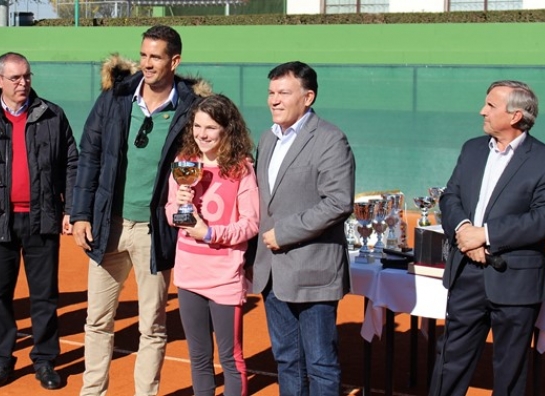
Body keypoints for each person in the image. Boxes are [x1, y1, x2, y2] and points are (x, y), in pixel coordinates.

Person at [70, 25, 210, 396]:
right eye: (144, 55)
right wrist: (81, 213)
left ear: (174, 61)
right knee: (97, 320)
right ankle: (93, 392)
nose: (146, 64)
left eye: (156, 57)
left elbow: (210, 158)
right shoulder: (115, 97)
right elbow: (90, 157)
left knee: (153, 325)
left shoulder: (192, 109)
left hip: (155, 231)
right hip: (108, 225)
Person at [0, 52, 78, 390]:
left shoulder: (53, 114)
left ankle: (44, 360)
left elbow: (71, 163)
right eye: (15, 78)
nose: (23, 83)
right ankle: (2, 359)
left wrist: (72, 210)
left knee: (44, 295)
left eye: (27, 76)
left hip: (43, 219)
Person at [429, 80, 545, 395]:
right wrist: (463, 231)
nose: (481, 111)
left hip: (515, 279)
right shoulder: (472, 148)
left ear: (514, 116)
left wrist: (485, 235)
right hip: (466, 274)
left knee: (510, 368)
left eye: (491, 106)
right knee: (450, 361)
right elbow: (450, 196)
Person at [251, 61, 356, 396]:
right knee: (286, 360)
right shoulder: (267, 138)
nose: (274, 100)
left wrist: (285, 232)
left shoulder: (330, 139)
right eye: (271, 92)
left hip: (313, 272)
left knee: (321, 364)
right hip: (272, 272)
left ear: (308, 97)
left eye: (284, 92)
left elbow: (338, 202)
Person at [165, 94, 259, 396]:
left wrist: (208, 233)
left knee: (231, 359)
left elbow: (250, 224)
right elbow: (169, 212)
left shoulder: (242, 169)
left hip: (224, 277)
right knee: (199, 357)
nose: (201, 134)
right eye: (197, 126)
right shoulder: (184, 164)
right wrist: (179, 207)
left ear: (227, 130)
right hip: (189, 274)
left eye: (211, 128)